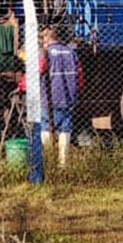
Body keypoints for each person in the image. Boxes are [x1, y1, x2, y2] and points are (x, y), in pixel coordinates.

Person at [40, 26, 82, 167]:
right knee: (65, 128)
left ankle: (48, 159)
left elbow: (39, 69)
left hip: (49, 97)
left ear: (46, 38)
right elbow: (79, 76)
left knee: (46, 126)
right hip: (68, 96)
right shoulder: (71, 52)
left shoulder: (47, 53)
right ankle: (62, 162)